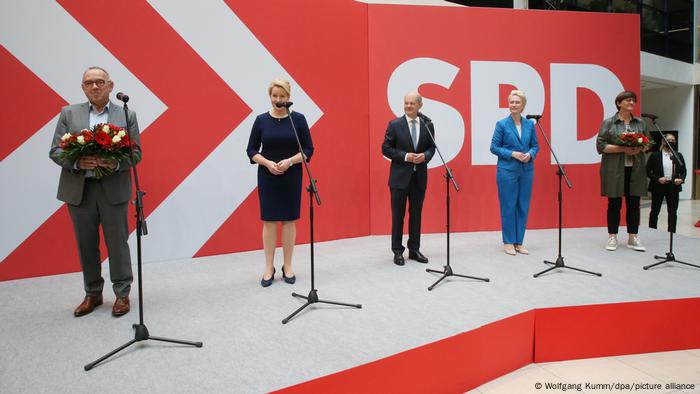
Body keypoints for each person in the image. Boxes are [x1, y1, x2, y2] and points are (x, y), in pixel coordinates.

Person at [49, 66, 141, 317]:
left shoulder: (126, 114)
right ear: (83, 88)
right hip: (80, 189)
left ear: (110, 86)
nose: (95, 86)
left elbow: (136, 154)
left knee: (117, 244)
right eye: (89, 83)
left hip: (113, 188)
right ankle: (93, 294)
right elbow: (56, 151)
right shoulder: (69, 113)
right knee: (86, 244)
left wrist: (116, 162)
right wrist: (78, 162)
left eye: (100, 81)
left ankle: (122, 294)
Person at [246, 79, 313, 287]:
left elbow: (308, 150)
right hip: (268, 176)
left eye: (282, 96)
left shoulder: (298, 120)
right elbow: (251, 150)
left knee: (289, 220)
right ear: (270, 96)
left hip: (291, 175)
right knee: (269, 221)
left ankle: (288, 265)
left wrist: (290, 161)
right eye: (275, 96)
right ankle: (269, 267)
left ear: (289, 97)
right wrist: (267, 163)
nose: (278, 100)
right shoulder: (261, 120)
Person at [381, 91, 435, 266]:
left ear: (420, 105)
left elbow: (432, 148)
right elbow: (386, 148)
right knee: (398, 215)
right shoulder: (395, 124)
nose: (408, 106)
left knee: (416, 215)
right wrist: (406, 156)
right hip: (399, 178)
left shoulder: (428, 124)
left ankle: (414, 249)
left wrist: (425, 156)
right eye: (406, 103)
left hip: (419, 177)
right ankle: (397, 251)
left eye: (412, 103)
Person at [596, 90, 650, 251]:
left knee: (634, 204)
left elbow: (648, 143)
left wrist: (640, 147)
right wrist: (623, 148)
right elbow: (601, 146)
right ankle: (612, 237)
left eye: (633, 101)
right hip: (615, 170)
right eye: (628, 100)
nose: (631, 103)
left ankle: (633, 237)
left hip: (636, 169)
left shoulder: (640, 123)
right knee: (614, 203)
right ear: (619, 103)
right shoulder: (609, 123)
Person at [490, 90, 539, 256]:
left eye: (517, 102)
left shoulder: (529, 125)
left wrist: (530, 154)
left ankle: (519, 242)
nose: (514, 105)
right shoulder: (502, 124)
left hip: (526, 170)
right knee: (509, 205)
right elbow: (494, 148)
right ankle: (508, 241)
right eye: (511, 102)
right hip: (507, 171)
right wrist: (512, 154)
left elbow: (535, 146)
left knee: (522, 205)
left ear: (523, 105)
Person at [647, 133, 686, 233]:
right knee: (655, 211)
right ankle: (652, 231)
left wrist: (681, 179)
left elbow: (683, 170)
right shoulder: (655, 155)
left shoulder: (678, 155)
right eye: (669, 140)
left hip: (673, 186)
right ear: (663, 142)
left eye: (673, 140)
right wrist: (658, 178)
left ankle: (672, 232)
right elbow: (648, 171)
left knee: (673, 211)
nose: (671, 142)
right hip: (658, 186)